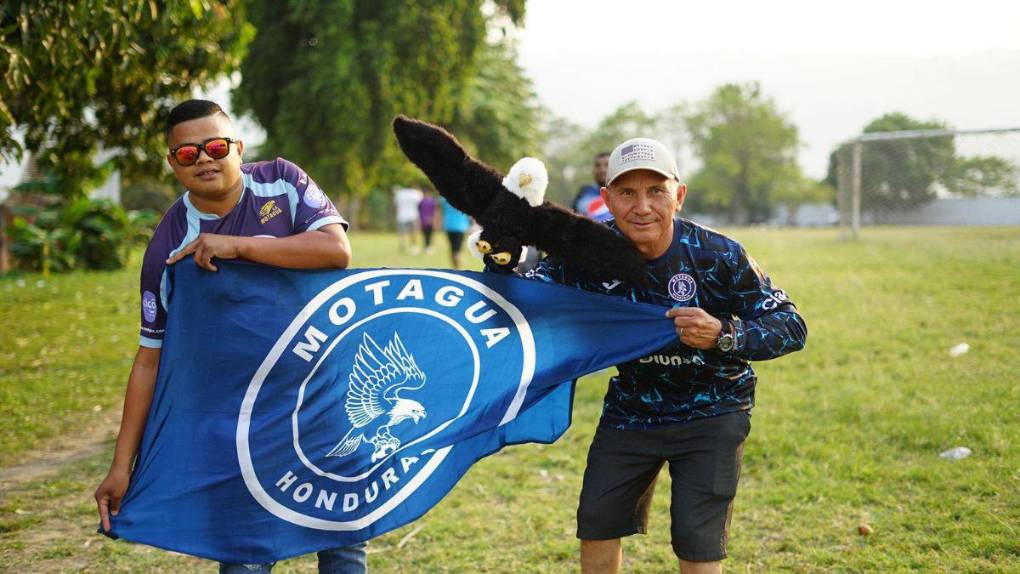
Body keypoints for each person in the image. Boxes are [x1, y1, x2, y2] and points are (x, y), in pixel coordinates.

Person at [498, 138, 807, 573]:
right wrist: (501, 258)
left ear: (678, 196)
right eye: (627, 193)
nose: (642, 206)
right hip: (632, 411)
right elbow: (527, 296)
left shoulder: (718, 255)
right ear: (606, 199)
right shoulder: (588, 253)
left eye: (656, 191)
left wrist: (724, 333)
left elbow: (792, 326)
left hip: (713, 411)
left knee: (697, 541)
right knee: (597, 522)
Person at [92, 99, 366, 574]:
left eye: (216, 146)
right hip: (237, 417)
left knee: (342, 538)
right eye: (187, 153)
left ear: (237, 148)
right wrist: (121, 465)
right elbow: (149, 359)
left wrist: (239, 246)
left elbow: (335, 250)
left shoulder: (283, 180)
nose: (203, 158)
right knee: (244, 553)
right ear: (172, 164)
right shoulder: (168, 244)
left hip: (321, 396)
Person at [572, 152, 610, 221]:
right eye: (598, 166)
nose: (602, 170)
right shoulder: (584, 191)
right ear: (593, 170)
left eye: (607, 165)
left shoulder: (623, 192)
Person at [438, 196, 471, 269]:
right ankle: (459, 269)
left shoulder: (443, 198)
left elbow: (440, 212)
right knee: (457, 250)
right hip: (460, 226)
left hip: (448, 225)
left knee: (453, 249)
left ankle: (455, 268)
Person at [393, 185, 423, 254]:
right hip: (413, 216)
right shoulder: (415, 193)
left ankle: (402, 246)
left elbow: (395, 204)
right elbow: (421, 202)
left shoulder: (399, 193)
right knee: (413, 232)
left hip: (401, 216)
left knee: (402, 233)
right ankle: (414, 246)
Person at [418, 187, 438, 255]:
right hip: (425, 220)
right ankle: (427, 247)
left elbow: (435, 211)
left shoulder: (431, 201)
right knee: (426, 234)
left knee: (429, 234)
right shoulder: (423, 201)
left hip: (428, 220)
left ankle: (428, 247)